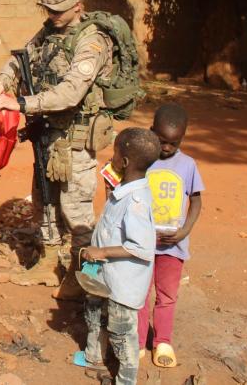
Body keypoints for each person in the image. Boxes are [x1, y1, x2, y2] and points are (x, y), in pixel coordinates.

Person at [0, 0, 113, 298]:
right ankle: (46, 259)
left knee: (76, 210)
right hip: (45, 133)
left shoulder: (92, 41)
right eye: (48, 9)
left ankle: (80, 276)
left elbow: (71, 93)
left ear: (78, 6)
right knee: (44, 201)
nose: (52, 15)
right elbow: (20, 60)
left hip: (74, 137)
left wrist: (20, 103)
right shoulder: (47, 32)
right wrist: (2, 83)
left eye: (58, 10)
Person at [80, 127, 161, 385]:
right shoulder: (124, 190)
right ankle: (95, 358)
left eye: (115, 153)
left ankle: (126, 380)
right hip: (108, 277)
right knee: (95, 314)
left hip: (123, 287)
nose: (111, 157)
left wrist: (101, 251)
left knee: (122, 335)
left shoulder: (136, 201)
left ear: (124, 162)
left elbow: (141, 247)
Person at [137, 104, 204, 368]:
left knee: (167, 295)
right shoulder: (142, 159)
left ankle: (162, 340)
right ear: (151, 131)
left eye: (172, 143)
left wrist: (184, 232)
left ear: (182, 139)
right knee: (140, 293)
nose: (165, 147)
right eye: (161, 141)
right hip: (142, 242)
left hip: (172, 247)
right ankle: (138, 341)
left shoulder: (188, 165)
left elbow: (197, 202)